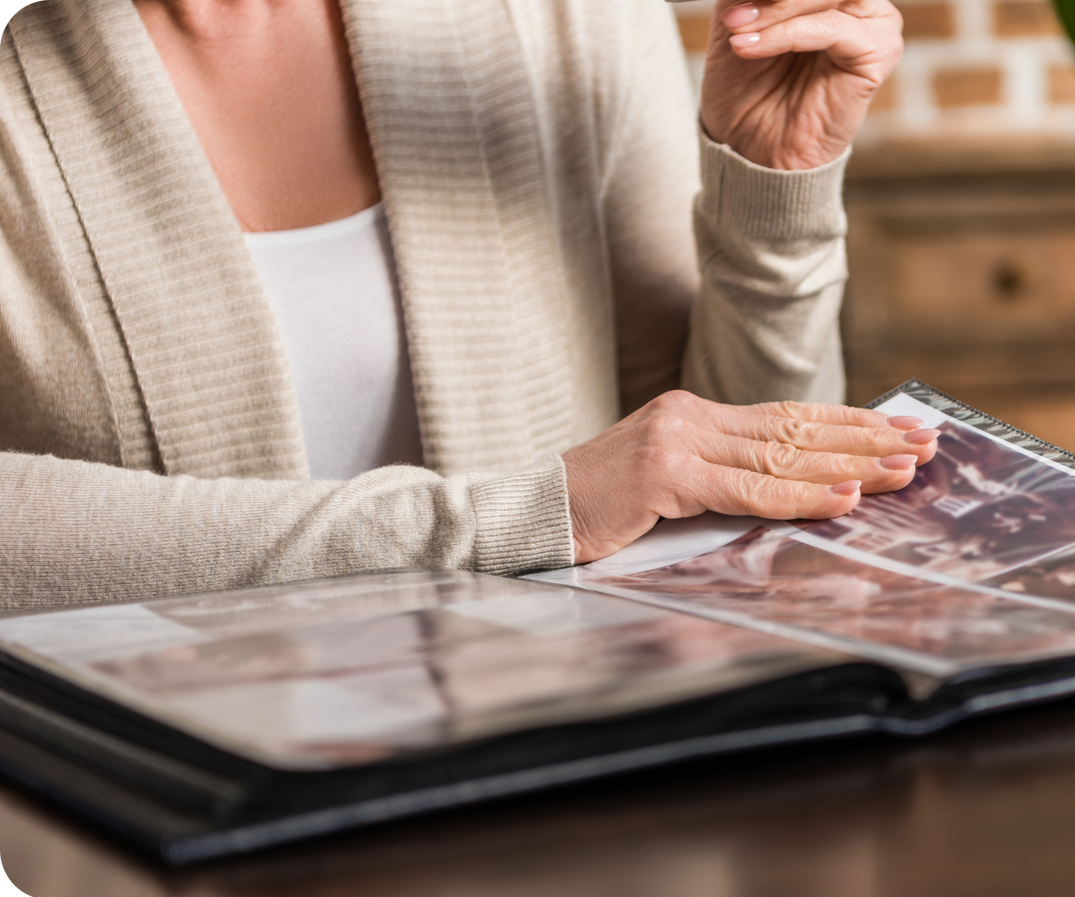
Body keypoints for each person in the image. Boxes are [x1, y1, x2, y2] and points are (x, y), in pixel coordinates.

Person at [0, 0, 936, 608]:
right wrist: (515, 520)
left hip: (565, 788)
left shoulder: (573, 17)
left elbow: (716, 483)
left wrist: (772, 189)